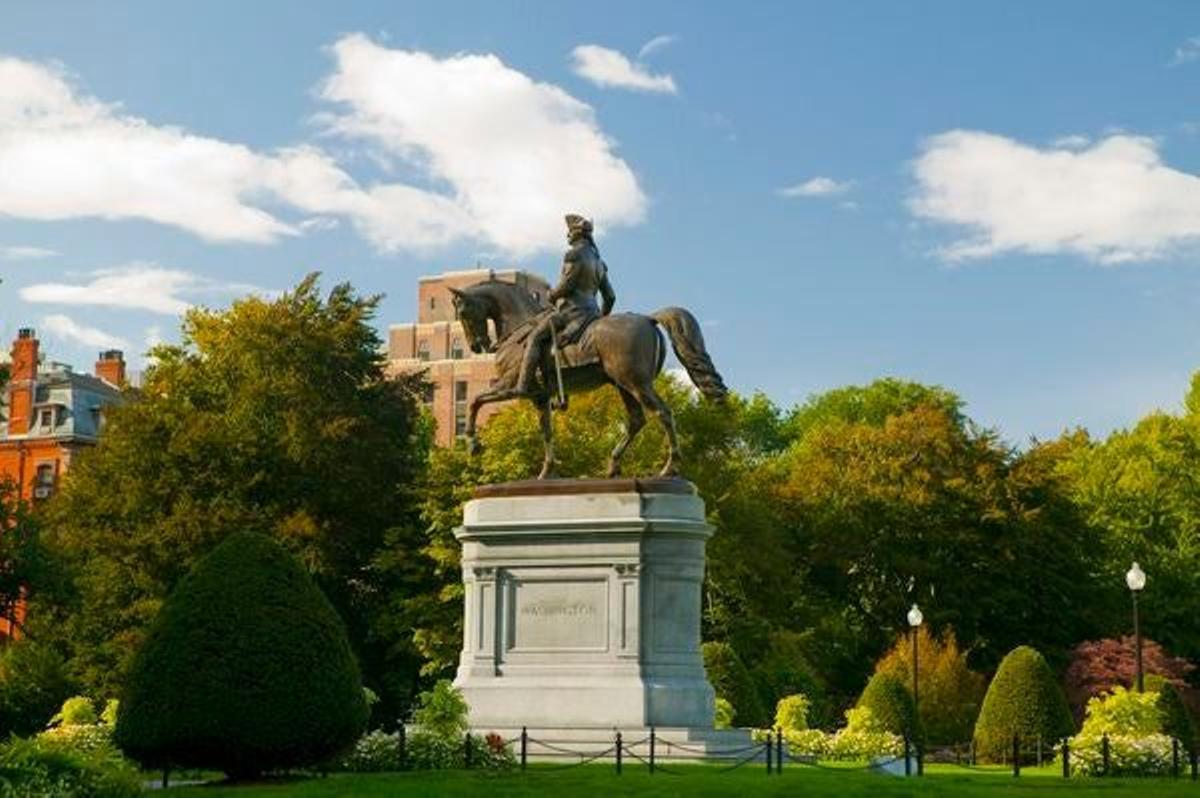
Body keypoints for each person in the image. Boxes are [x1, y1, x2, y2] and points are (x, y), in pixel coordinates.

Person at [517, 214, 615, 408]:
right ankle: (561, 390)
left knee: (535, 338)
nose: (567, 236)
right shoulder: (599, 262)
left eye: (569, 232)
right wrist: (601, 320)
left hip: (572, 313)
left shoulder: (573, 255)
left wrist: (552, 295)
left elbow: (566, 285)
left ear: (576, 234)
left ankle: (523, 385)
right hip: (591, 315)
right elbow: (610, 297)